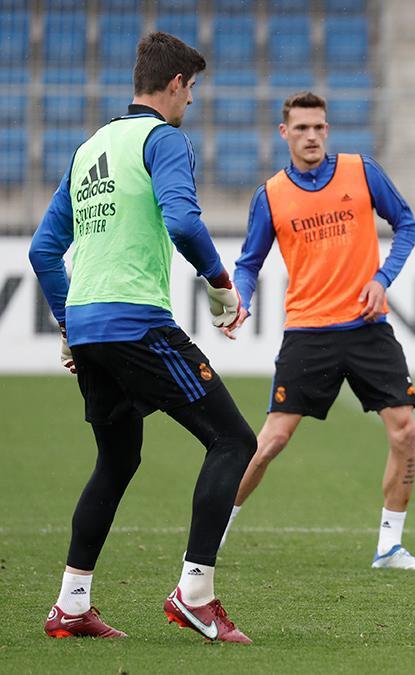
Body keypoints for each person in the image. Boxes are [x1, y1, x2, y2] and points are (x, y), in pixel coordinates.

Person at [29, 32, 255, 643]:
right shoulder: (164, 140)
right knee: (233, 440)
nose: (191, 103)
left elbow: (44, 251)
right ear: (177, 84)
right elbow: (182, 219)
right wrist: (219, 283)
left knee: (118, 457)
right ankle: (195, 594)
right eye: (192, 91)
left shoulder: (89, 149)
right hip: (136, 322)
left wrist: (68, 323)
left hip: (91, 327)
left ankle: (72, 604)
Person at [219, 92, 415, 571]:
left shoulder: (362, 171)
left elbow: (407, 224)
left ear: (327, 129)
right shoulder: (271, 194)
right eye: (301, 128)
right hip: (308, 333)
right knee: (271, 440)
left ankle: (390, 547)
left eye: (318, 127)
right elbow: (249, 263)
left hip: (367, 328)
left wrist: (383, 279)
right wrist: (243, 301)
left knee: (406, 431)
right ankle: (213, 533)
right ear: (285, 133)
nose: (311, 136)